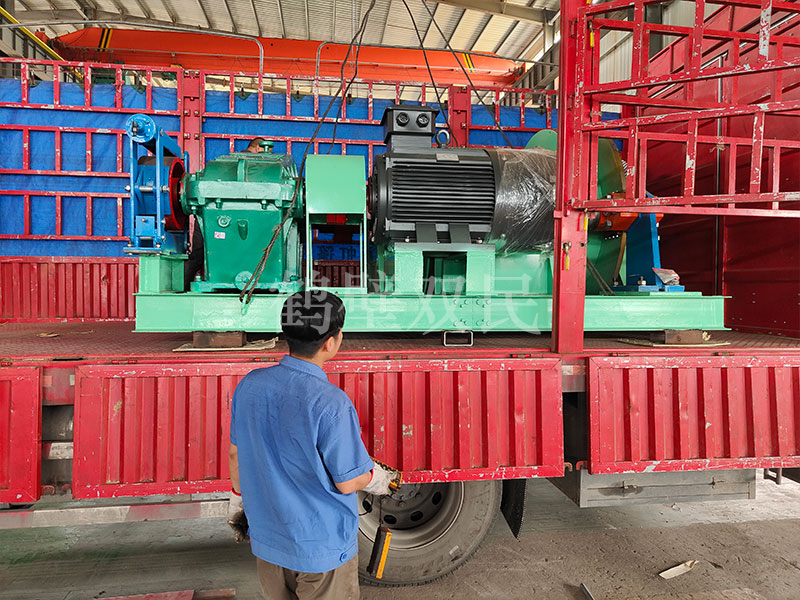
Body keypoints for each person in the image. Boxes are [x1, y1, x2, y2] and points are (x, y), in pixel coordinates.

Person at [227, 290, 396, 600]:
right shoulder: (331, 403)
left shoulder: (249, 385)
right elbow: (348, 481)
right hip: (321, 550)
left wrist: (238, 501)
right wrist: (379, 479)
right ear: (331, 342)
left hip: (269, 542)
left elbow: (235, 455)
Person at [183, 137, 269, 290]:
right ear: (258, 148)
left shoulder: (224, 165)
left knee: (197, 255)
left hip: (207, 214)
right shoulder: (262, 167)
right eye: (265, 151)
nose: (268, 155)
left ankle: (182, 288)